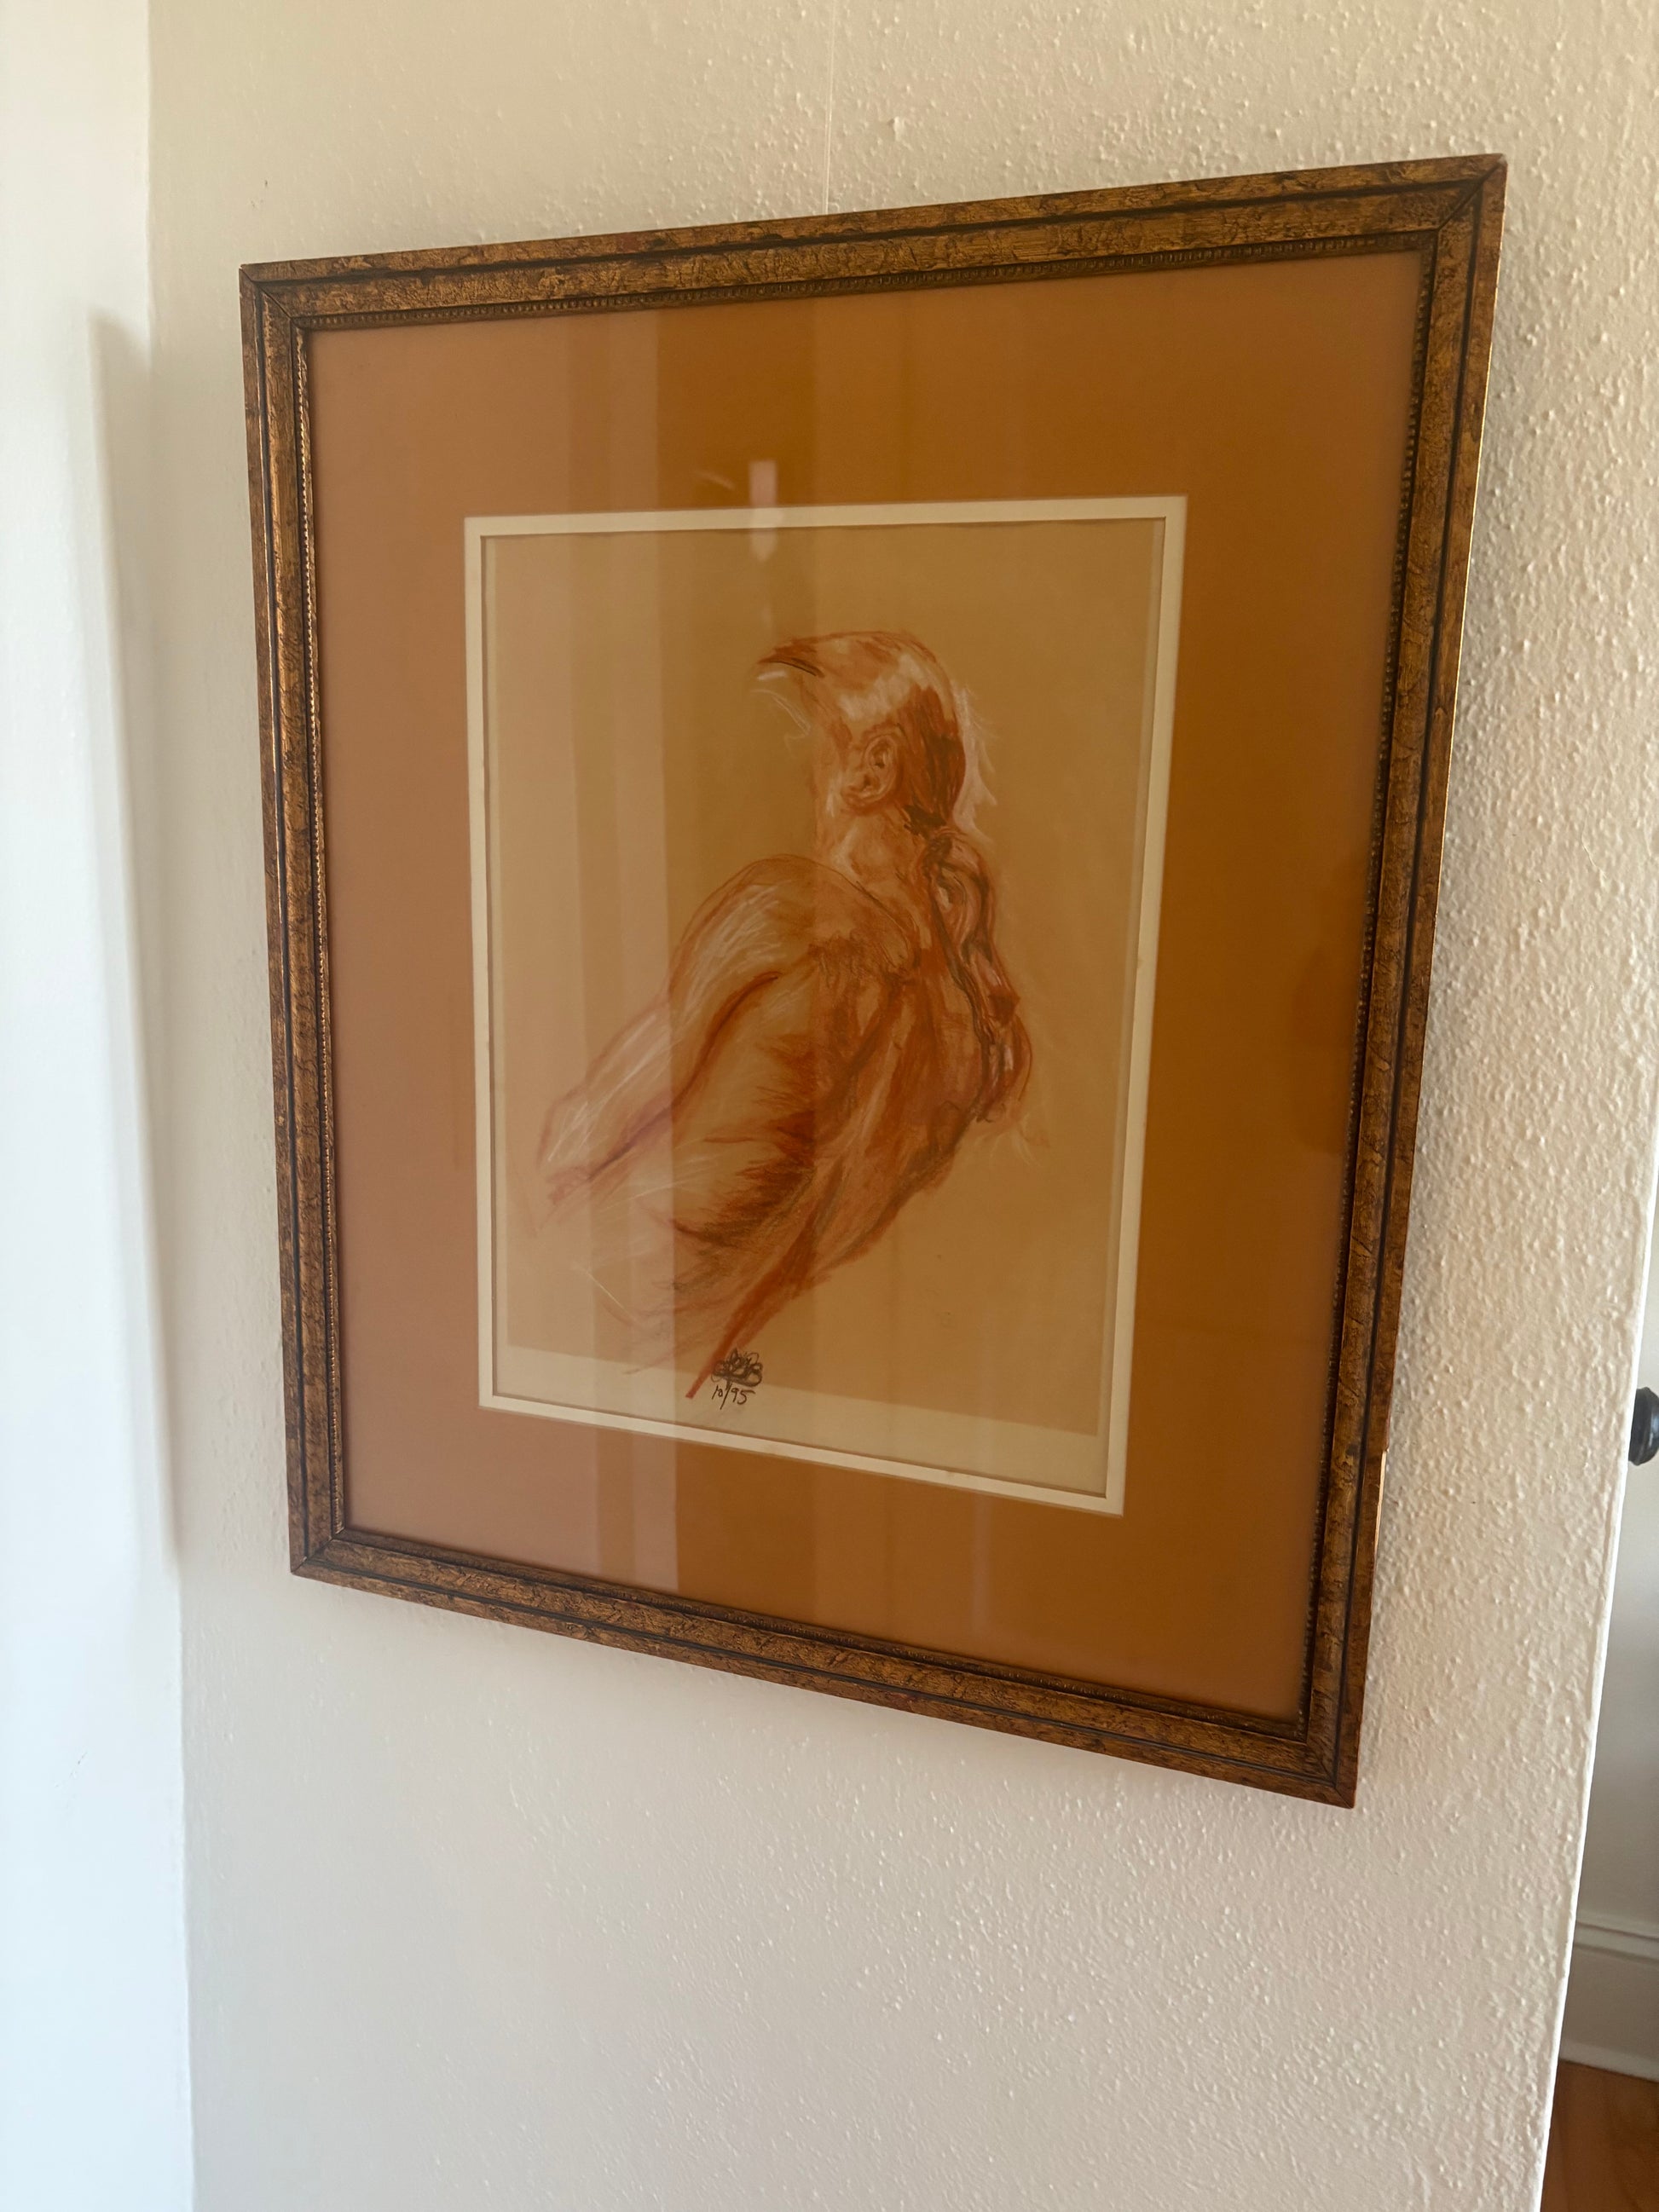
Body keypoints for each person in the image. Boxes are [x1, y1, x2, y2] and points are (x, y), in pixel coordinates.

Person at [530, 630, 1030, 1396]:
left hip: (590, 1310)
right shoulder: (964, 1031)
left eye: (798, 736)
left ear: (874, 768)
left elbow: (580, 1135)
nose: (785, 769)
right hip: (712, 1354)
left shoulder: (787, 910)